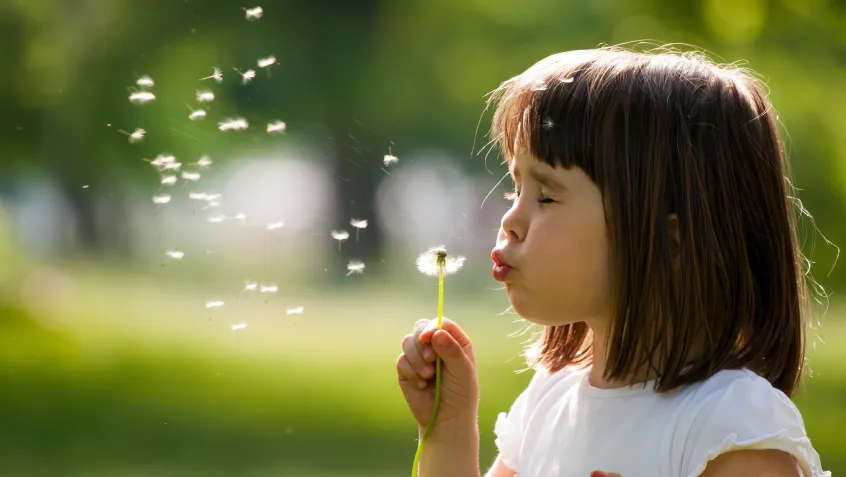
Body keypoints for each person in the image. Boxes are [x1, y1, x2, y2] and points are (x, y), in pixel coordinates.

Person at [395, 46, 832, 477]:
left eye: (546, 195)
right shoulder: (548, 402)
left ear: (670, 240)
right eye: (516, 189)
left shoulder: (728, 426)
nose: (509, 219)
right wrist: (447, 432)